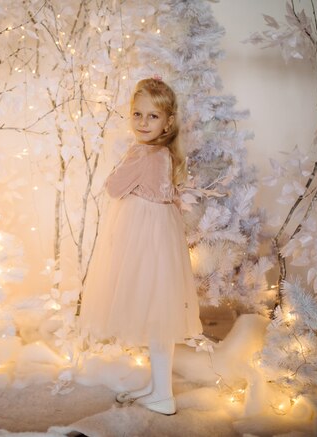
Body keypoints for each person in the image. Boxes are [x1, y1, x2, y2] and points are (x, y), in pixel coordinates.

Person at [77, 77, 203, 415]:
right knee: (157, 313)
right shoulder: (165, 153)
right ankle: (158, 386)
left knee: (155, 314)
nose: (143, 123)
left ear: (168, 122)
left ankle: (163, 394)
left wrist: (124, 173)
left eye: (153, 116)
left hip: (145, 242)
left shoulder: (143, 153)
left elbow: (113, 187)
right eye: (137, 114)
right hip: (160, 239)